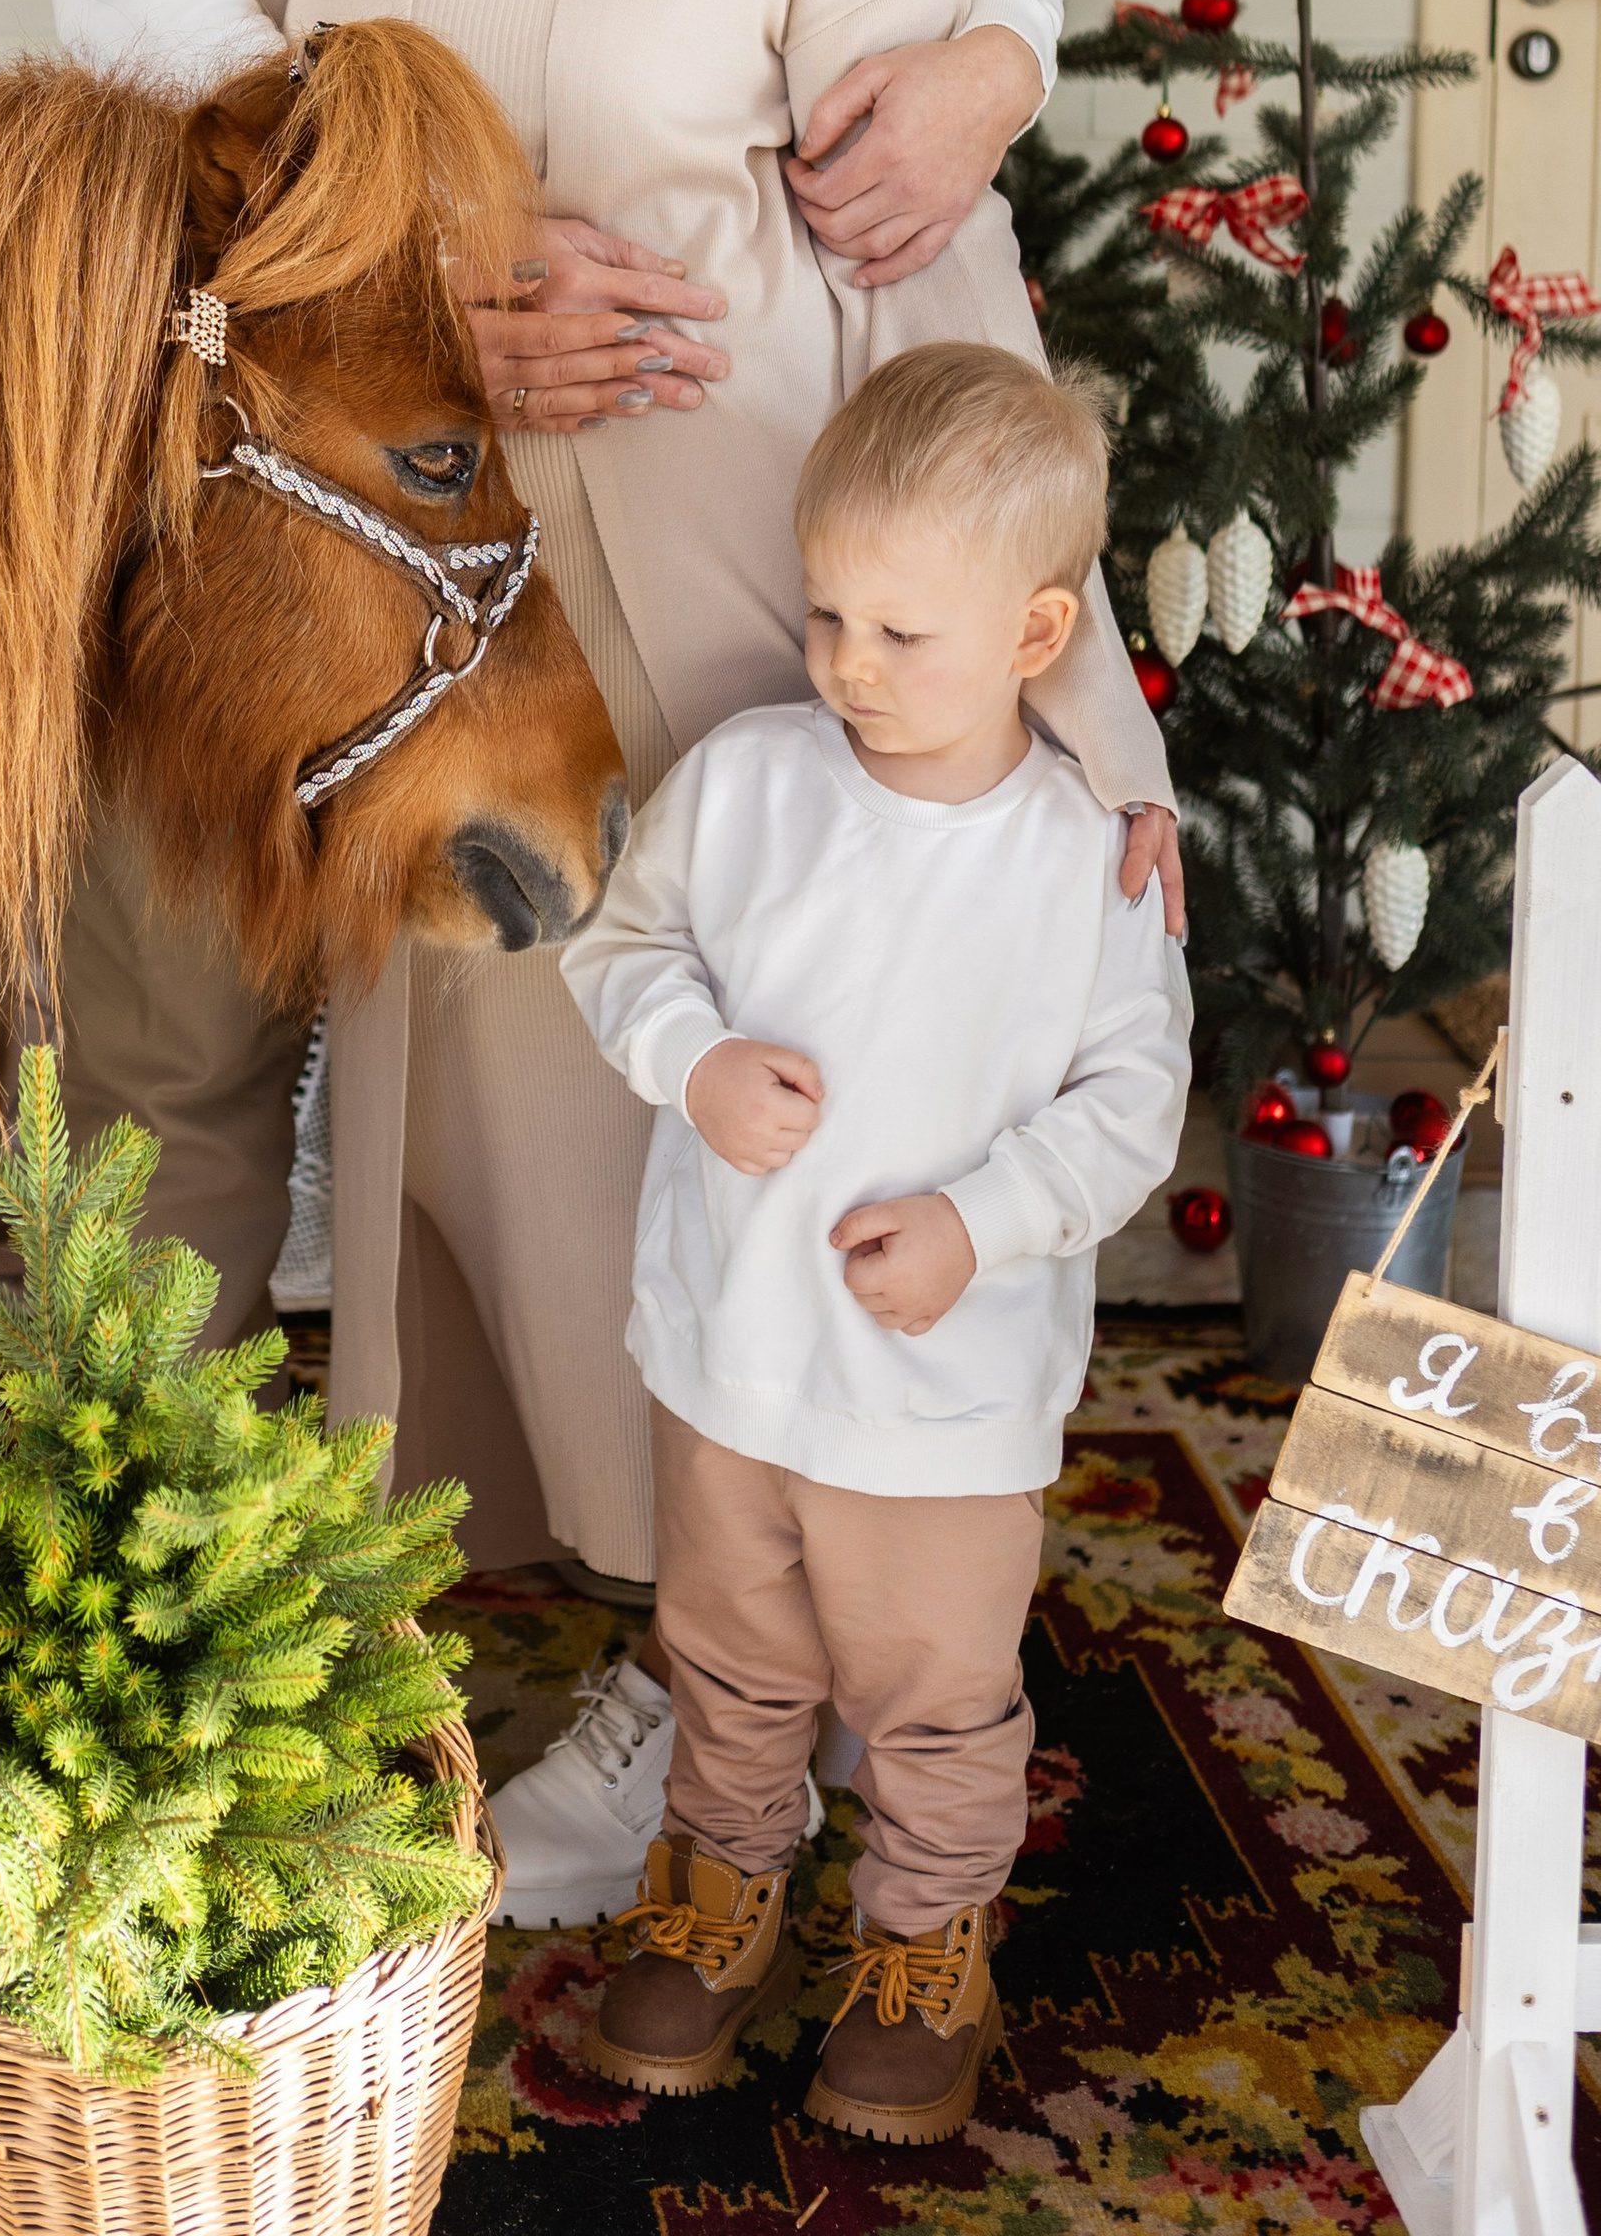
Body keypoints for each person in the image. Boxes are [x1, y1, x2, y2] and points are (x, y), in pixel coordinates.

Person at [192, 0, 1179, 1924]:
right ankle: (661, 1630)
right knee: (505, 1127)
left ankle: (717, 1679)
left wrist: (1099, 731)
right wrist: (434, 297)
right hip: (425, 596)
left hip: (737, 601)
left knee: (734, 1118)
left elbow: (931, 279)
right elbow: (220, 190)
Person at [23, 0, 1096, 1358]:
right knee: (218, 1083)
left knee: (656, 1093)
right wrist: (426, 291)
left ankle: (699, 1657)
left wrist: (997, 57)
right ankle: (154, 1612)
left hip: (641, 572)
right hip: (317, 501)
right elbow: (145, 38)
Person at [559, 345, 1191, 2139]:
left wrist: (981, 1223)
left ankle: (925, 1938)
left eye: (903, 635)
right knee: (731, 1655)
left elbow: (1131, 1104)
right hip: (734, 1359)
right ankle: (727, 1881)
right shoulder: (753, 781)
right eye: (832, 612)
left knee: (931, 1694)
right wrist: (694, 1062)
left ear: (1035, 633)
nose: (848, 666)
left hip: (938, 1398)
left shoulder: (1087, 865)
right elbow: (627, 953)